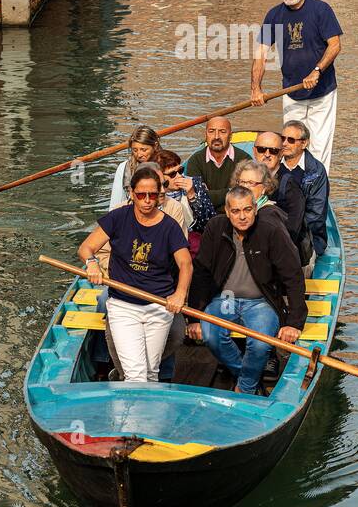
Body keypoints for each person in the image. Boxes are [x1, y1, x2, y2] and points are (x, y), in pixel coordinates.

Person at [188, 186, 306, 395]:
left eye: (247, 210)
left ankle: (245, 386)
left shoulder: (271, 230)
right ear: (226, 210)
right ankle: (249, 380)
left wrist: (294, 323)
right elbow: (201, 272)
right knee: (211, 336)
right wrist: (194, 317)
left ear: (255, 210)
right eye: (236, 211)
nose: (242, 217)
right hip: (223, 299)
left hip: (261, 302)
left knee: (260, 344)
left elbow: (293, 275)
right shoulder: (216, 227)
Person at [78, 165, 191, 384]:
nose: (147, 200)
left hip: (158, 305)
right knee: (137, 375)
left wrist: (180, 294)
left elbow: (186, 263)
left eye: (152, 195)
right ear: (132, 194)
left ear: (159, 196)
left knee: (150, 372)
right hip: (123, 305)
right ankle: (133, 418)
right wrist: (92, 264)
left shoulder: (169, 226)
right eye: (141, 195)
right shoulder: (118, 217)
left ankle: (148, 418)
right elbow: (85, 248)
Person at [251, 0, 342, 174]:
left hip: (323, 93)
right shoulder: (274, 15)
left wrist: (317, 71)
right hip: (291, 91)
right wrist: (256, 88)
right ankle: (293, 190)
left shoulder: (321, 10)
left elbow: (335, 45)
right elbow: (261, 54)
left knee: (318, 148)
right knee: (290, 145)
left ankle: (319, 190)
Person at [252, 131, 312, 265]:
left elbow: (293, 228)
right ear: (254, 151)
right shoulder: (247, 177)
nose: (267, 155)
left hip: (284, 252)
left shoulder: (290, 184)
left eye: (273, 151)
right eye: (262, 150)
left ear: (280, 154)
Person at [280, 119, 329, 258]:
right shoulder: (274, 164)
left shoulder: (317, 172)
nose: (284, 143)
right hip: (276, 232)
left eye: (290, 140)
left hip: (308, 237)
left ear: (304, 143)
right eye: (282, 138)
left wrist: (288, 234)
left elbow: (316, 215)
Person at [184, 117, 249, 210]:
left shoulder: (244, 159)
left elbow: (245, 195)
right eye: (211, 131)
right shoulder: (195, 161)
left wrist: (208, 195)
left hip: (236, 215)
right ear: (205, 134)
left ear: (230, 136)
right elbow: (198, 197)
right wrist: (231, 191)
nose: (216, 137)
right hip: (205, 216)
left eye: (222, 132)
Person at [109, 125, 161, 208]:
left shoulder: (166, 164)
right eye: (135, 150)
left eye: (144, 150)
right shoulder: (124, 168)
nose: (139, 155)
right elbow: (116, 202)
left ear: (155, 146)